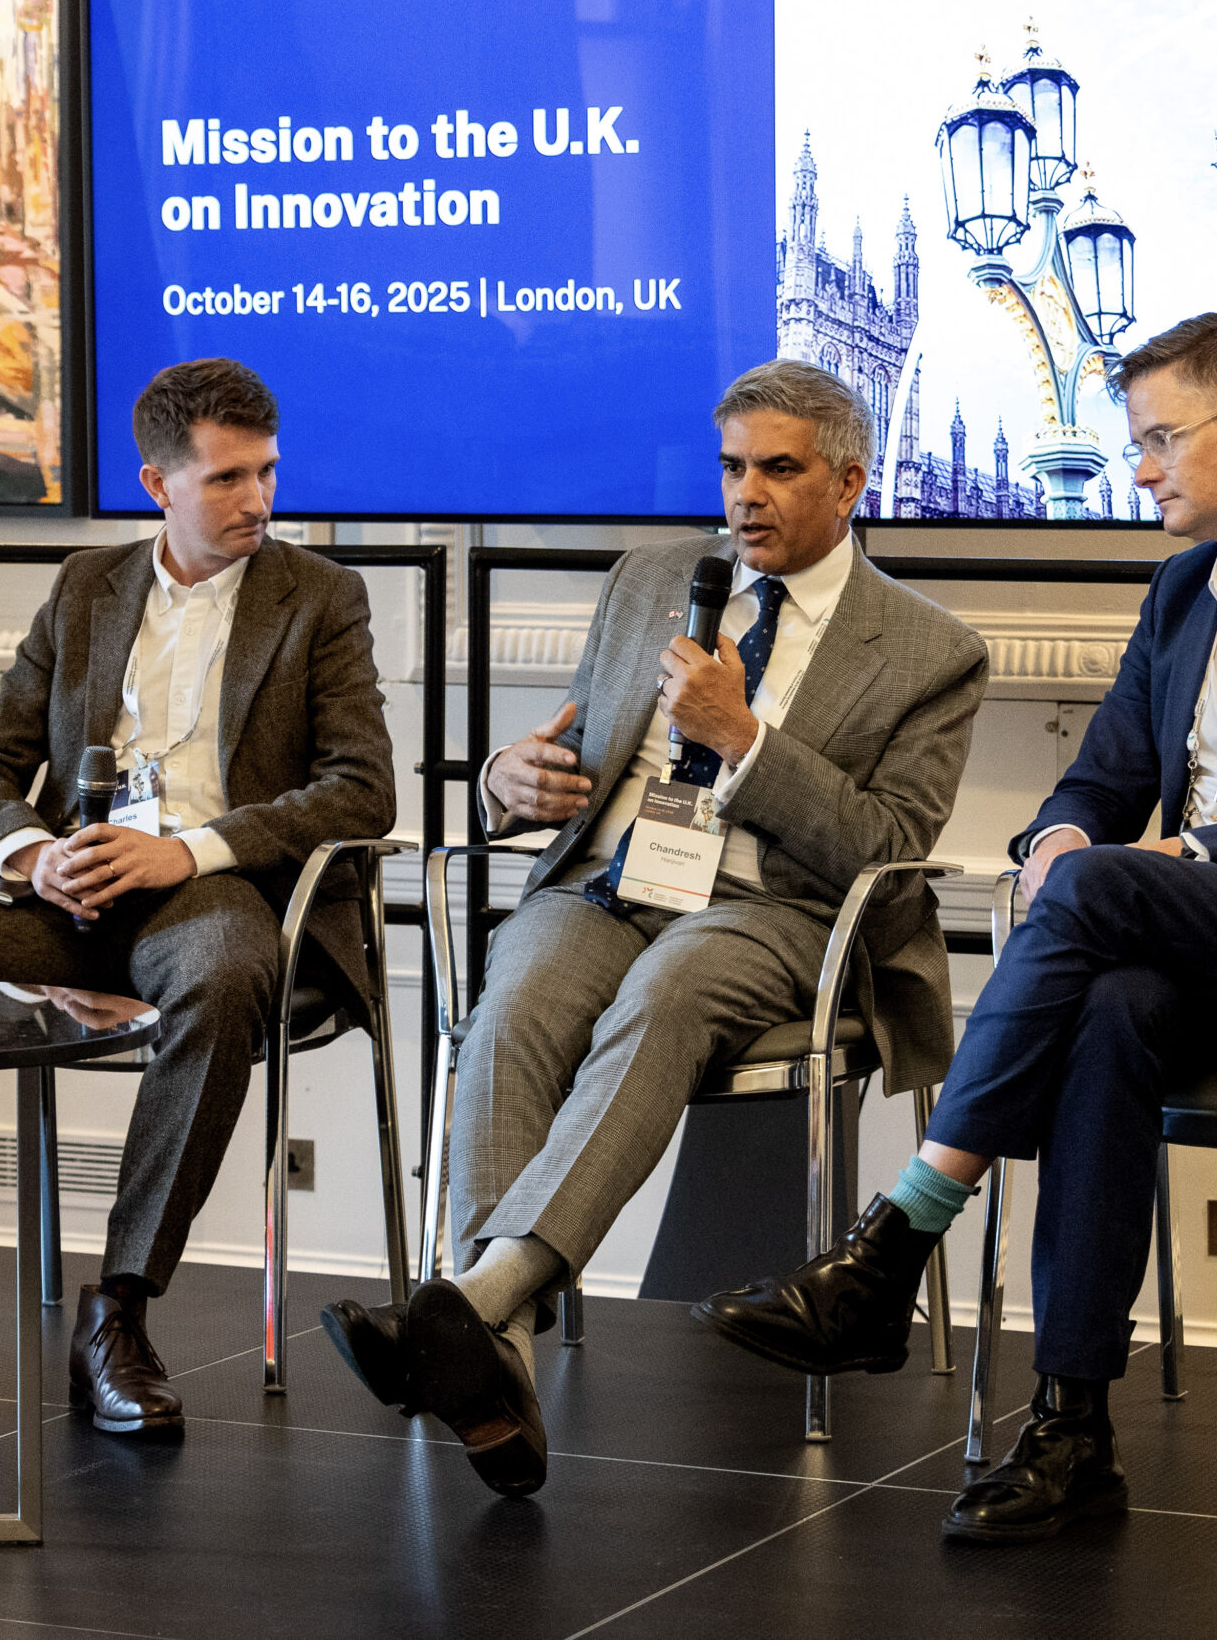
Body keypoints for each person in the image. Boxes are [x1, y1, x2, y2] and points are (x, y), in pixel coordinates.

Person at [696, 311, 1217, 1543]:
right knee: (1106, 1004)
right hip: (1207, 953)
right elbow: (1096, 785)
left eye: (1158, 438)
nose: (1138, 468)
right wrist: (1055, 840)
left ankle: (896, 1243)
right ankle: (1071, 1427)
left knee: (1108, 891)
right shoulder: (1180, 593)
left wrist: (1178, 855)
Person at [319, 359, 990, 1496]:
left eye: (778, 470)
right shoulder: (652, 580)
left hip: (775, 911)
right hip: (608, 882)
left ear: (849, 483)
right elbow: (574, 751)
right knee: (513, 998)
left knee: (667, 992)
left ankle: (476, 1301)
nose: (745, 495)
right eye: (731, 467)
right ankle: (494, 1351)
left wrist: (744, 740)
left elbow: (885, 853)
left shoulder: (930, 649)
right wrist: (507, 780)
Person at [0, 357, 397, 1431]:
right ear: (158, 484)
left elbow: (360, 789)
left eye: (266, 472)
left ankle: (119, 1308)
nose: (256, 499)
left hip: (212, 893)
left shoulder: (320, 597)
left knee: (223, 977)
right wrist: (31, 854)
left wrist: (186, 852)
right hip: (64, 898)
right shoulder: (85, 588)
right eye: (227, 478)